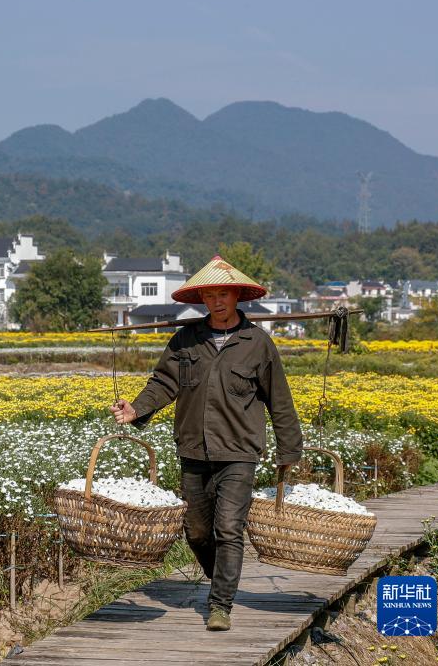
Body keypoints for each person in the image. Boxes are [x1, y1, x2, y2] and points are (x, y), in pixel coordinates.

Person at [110, 255, 302, 632]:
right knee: (197, 531)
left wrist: (288, 449)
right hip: (193, 449)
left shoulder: (257, 343)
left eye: (223, 294)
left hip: (239, 450)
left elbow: (279, 399)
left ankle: (220, 604)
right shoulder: (187, 340)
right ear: (202, 300)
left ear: (237, 297)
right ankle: (223, 580)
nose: (217, 301)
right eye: (210, 295)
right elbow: (164, 382)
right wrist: (136, 409)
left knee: (228, 527)